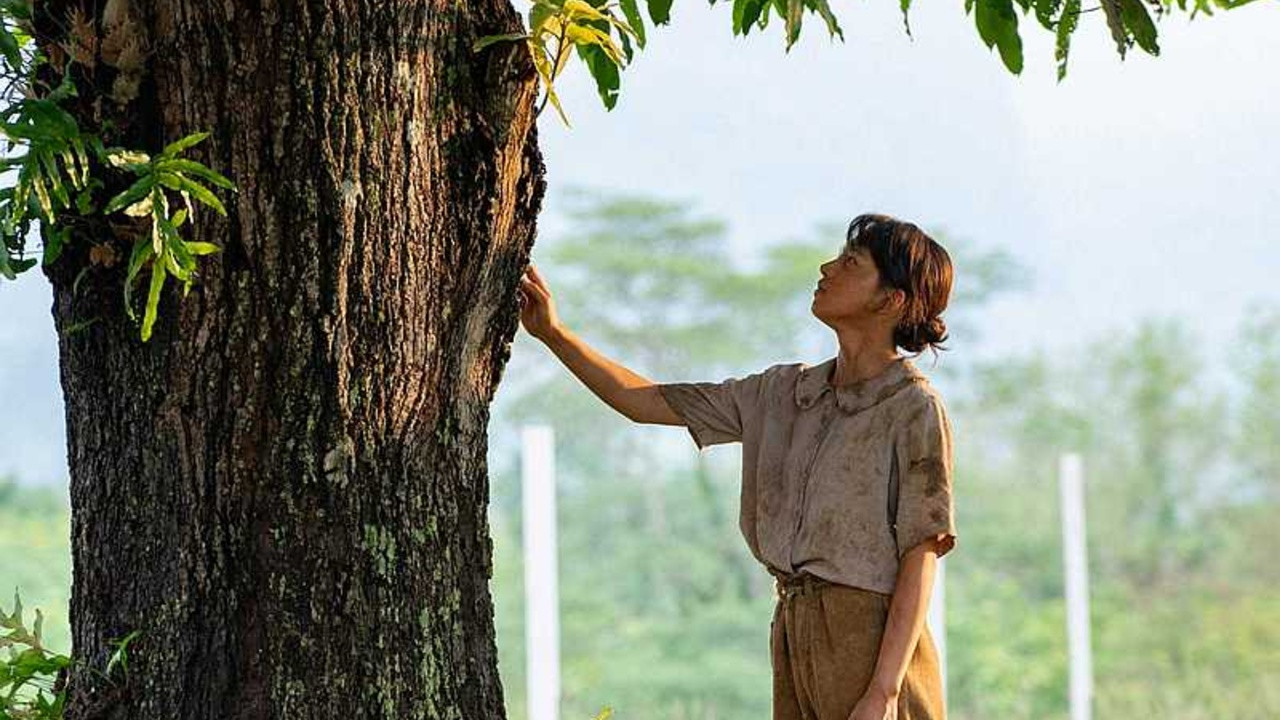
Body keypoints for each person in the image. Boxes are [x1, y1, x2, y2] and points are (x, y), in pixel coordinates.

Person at [517, 213, 957, 720]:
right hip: (794, 630)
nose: (826, 267)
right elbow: (644, 401)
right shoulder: (781, 393)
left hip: (875, 645)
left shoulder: (913, 406)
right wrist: (553, 333)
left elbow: (920, 556)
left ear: (891, 299)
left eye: (850, 262)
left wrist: (883, 690)